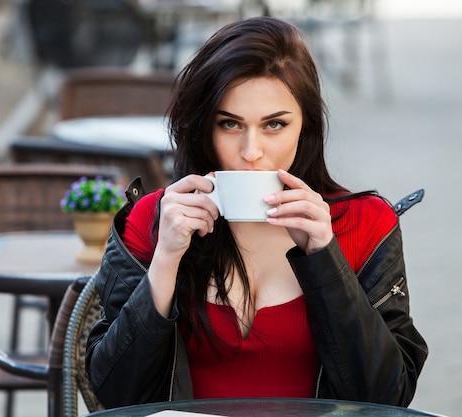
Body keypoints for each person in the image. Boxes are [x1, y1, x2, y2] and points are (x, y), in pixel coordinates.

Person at [85, 16, 428, 409]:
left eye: (275, 125)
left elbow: (388, 398)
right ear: (202, 129)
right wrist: (166, 258)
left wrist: (325, 259)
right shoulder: (152, 220)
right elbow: (115, 395)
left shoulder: (364, 224)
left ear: (306, 128)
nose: (251, 152)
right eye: (230, 124)